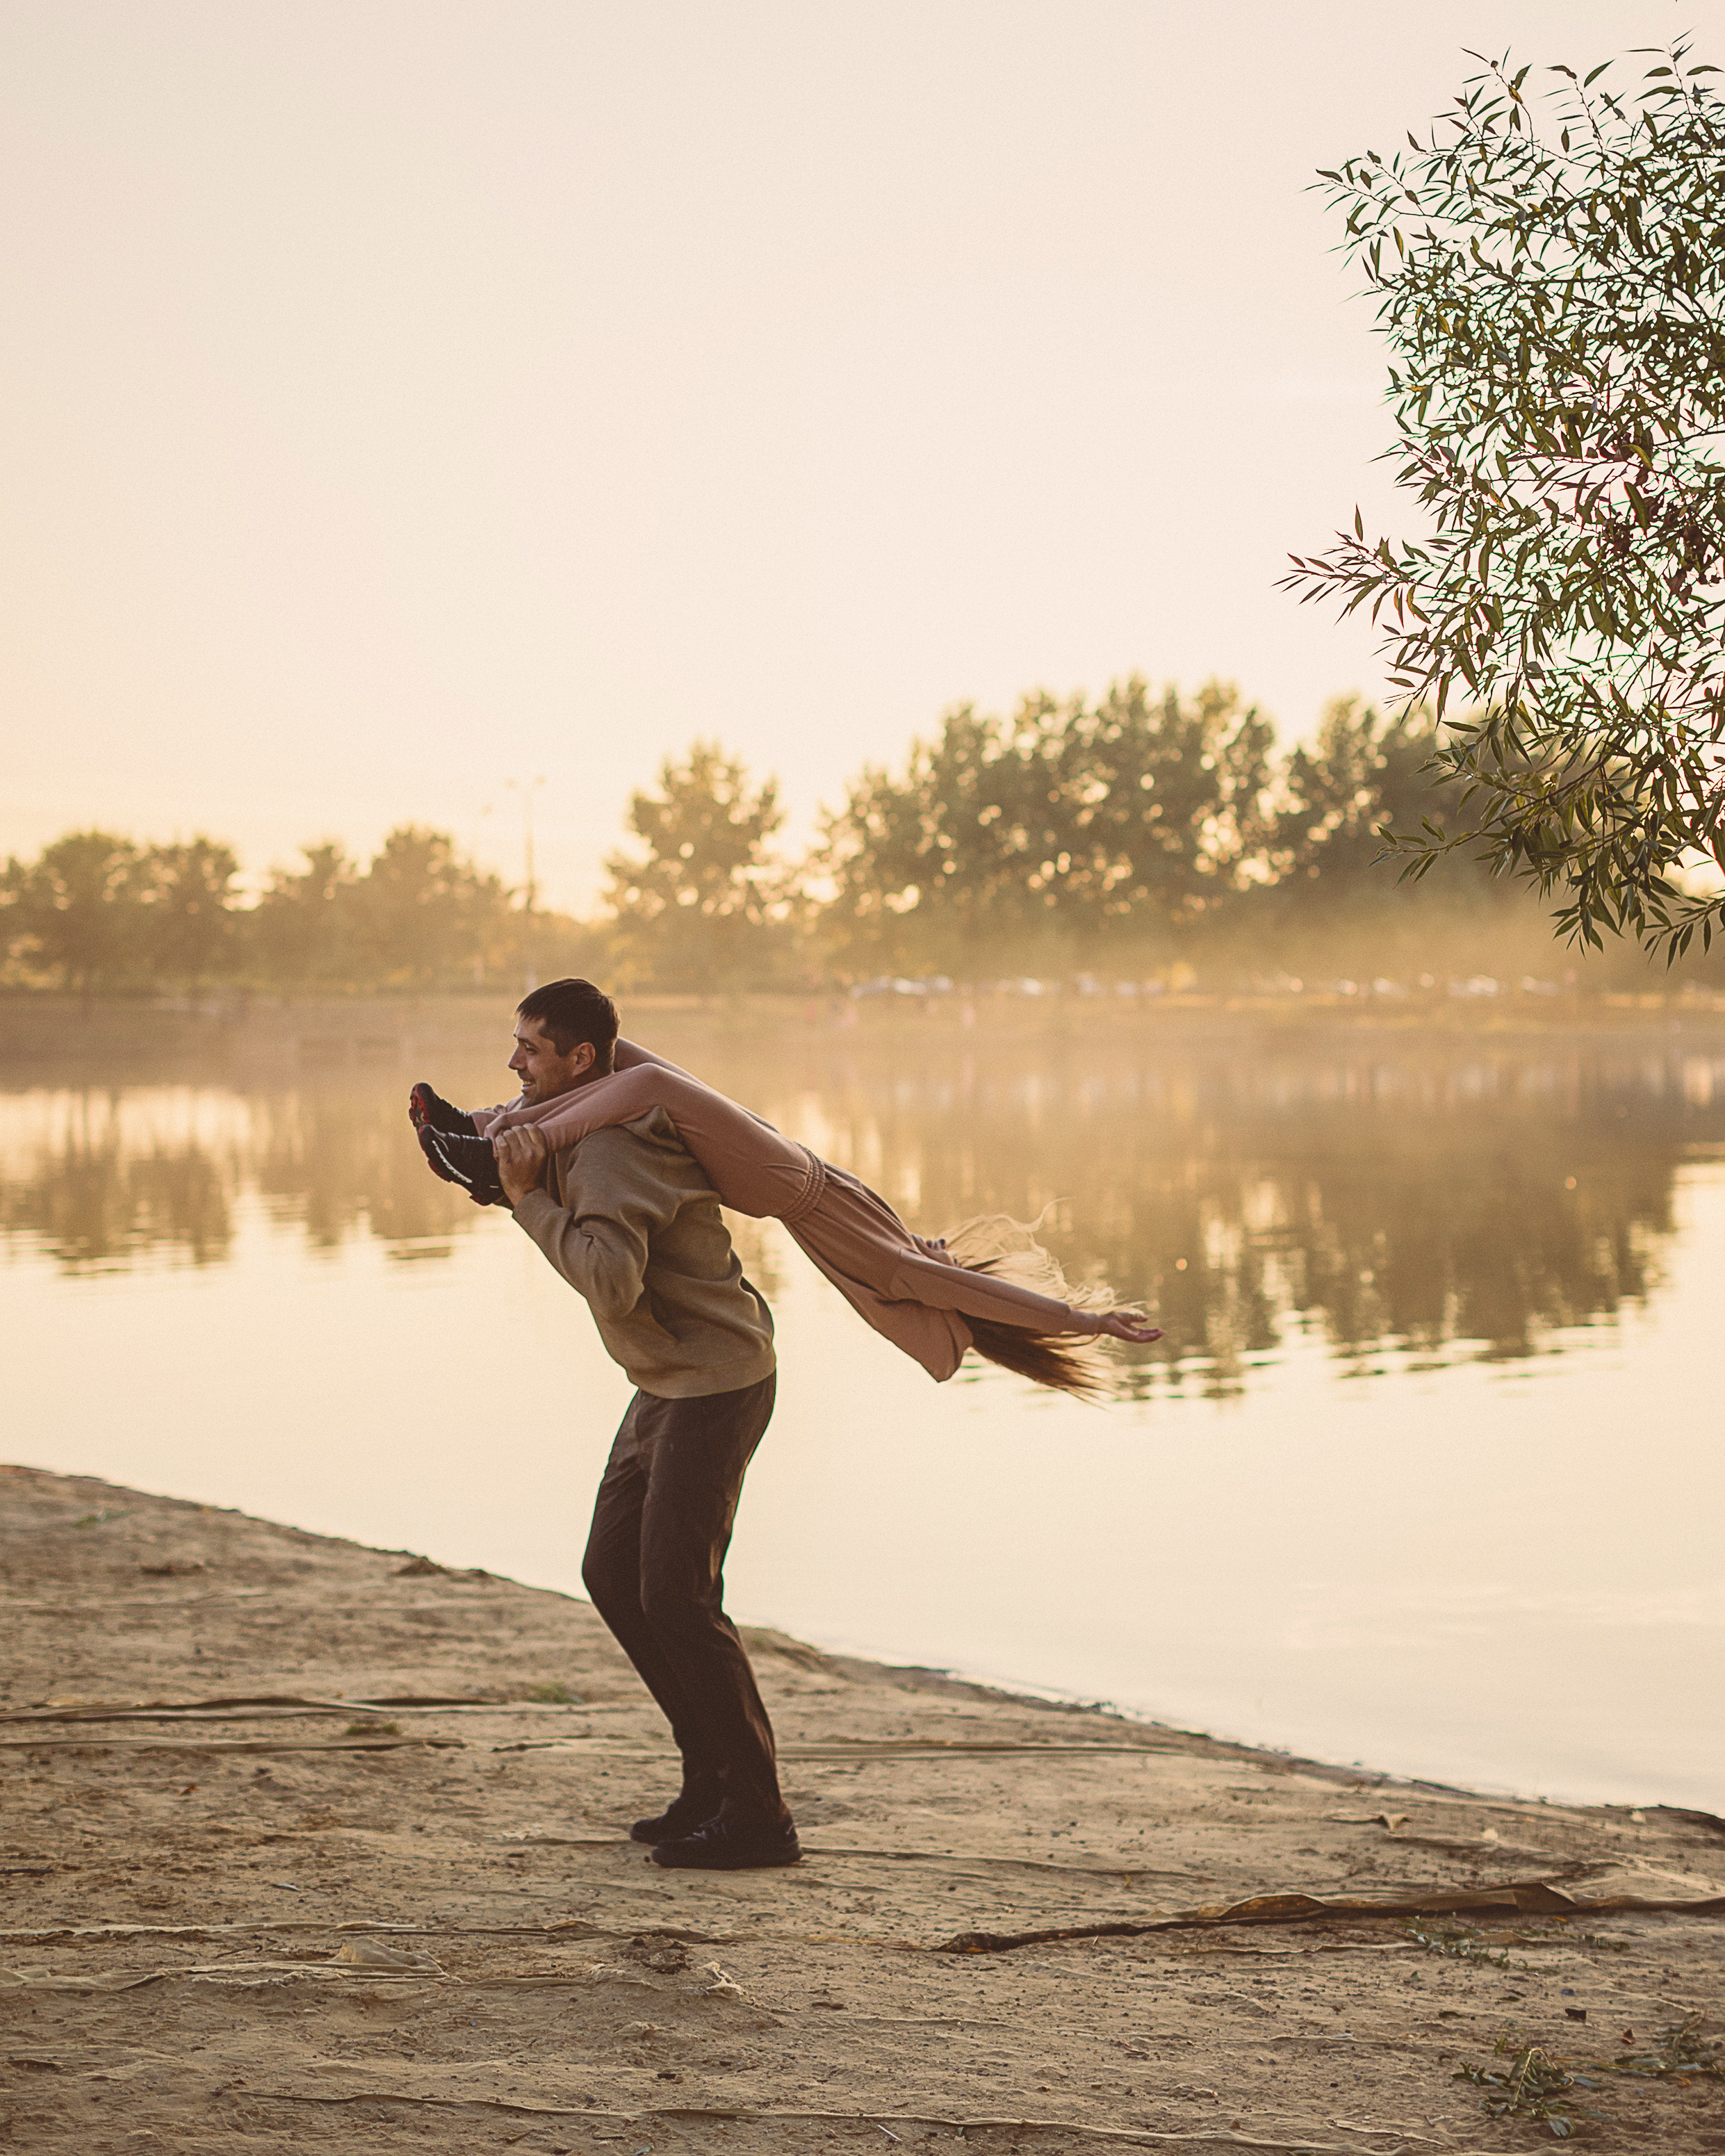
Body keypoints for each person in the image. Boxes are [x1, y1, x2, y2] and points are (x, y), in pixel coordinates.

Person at [414, 983, 1161, 1396]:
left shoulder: (891, 1269)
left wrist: (1080, 1319)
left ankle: (494, 1146)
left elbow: (981, 1298)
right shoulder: (897, 1247)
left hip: (788, 1175)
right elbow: (963, 1283)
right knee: (615, 1057)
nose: (943, 1269)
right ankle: (485, 1128)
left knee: (635, 1077)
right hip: (785, 1162)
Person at [489, 977, 800, 1872]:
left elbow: (608, 1279)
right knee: (611, 1574)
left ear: (581, 1061)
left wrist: (526, 1204)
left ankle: (760, 1816)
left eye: (531, 1048)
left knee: (676, 1595)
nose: (514, 1062)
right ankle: (707, 1778)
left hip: (715, 1382)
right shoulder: (581, 1129)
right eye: (515, 1044)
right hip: (664, 1381)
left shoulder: (614, 1148)